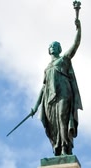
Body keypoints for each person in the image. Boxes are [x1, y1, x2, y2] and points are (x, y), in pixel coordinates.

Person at [31, 16, 82, 156]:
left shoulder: (63, 59)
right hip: (49, 98)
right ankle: (57, 148)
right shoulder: (47, 67)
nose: (53, 47)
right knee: (52, 124)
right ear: (49, 50)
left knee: (62, 118)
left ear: (59, 49)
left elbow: (75, 45)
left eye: (56, 45)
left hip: (64, 94)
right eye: (51, 46)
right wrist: (35, 106)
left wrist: (78, 28)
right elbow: (43, 88)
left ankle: (66, 147)